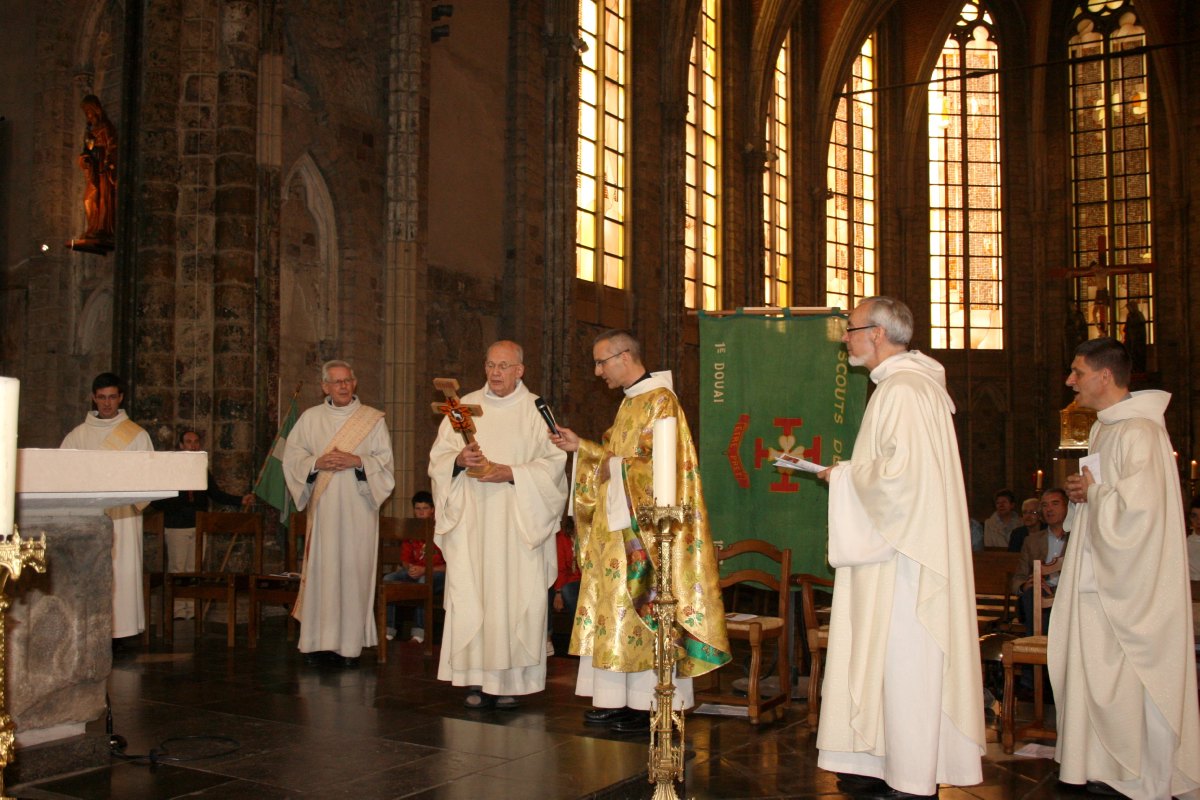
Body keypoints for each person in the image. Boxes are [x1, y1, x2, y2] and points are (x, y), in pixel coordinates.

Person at [815, 297, 983, 796]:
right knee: (883, 661)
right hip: (894, 548)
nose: (845, 338)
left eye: (851, 329)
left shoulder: (905, 391)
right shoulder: (903, 388)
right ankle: (877, 760)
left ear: (878, 334)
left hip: (906, 559)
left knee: (902, 661)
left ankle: (910, 775)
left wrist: (839, 477)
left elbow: (901, 483)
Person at [550, 330, 730, 735]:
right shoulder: (631, 403)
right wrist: (583, 448)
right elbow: (617, 459)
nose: (597, 372)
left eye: (602, 362)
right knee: (616, 615)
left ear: (625, 355)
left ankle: (650, 701)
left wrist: (597, 454)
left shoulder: (662, 401)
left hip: (648, 535)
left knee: (646, 613)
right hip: (618, 530)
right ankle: (619, 701)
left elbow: (655, 469)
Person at [1051, 338, 1200, 798]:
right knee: (1094, 670)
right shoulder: (1103, 429)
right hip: (1098, 571)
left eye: (1077, 372)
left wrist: (1094, 494)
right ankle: (1100, 764)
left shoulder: (1141, 432)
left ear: (1104, 376)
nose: (1070, 380)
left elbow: (1142, 512)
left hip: (1130, 582)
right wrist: (1083, 494)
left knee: (1125, 673)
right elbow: (1105, 495)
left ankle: (1137, 774)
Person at [428, 340, 568, 709]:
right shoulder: (461, 409)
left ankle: (511, 682)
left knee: (514, 598)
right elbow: (438, 459)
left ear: (520, 370)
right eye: (490, 364)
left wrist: (511, 473)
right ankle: (476, 679)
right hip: (473, 522)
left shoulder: (536, 410)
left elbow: (554, 465)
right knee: (475, 596)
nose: (495, 372)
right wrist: (458, 459)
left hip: (517, 524)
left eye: (504, 366)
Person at [283, 360, 394, 668]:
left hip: (359, 510)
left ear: (354, 383)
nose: (344, 386)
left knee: (352, 574)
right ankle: (318, 644)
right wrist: (317, 464)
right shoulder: (310, 419)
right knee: (323, 573)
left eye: (348, 380)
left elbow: (384, 464)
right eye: (337, 382)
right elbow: (292, 458)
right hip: (325, 511)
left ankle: (348, 647)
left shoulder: (372, 420)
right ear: (325, 387)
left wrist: (358, 461)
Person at [61, 373, 154, 643]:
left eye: (112, 397)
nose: (107, 403)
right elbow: (63, 472)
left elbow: (149, 475)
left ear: (121, 398)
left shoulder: (137, 435)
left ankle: (121, 633)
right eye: (101, 397)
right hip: (88, 517)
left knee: (122, 570)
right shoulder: (78, 436)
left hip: (123, 515)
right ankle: (90, 629)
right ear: (93, 398)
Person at [150, 429, 254, 619]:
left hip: (198, 525)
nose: (193, 446)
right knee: (177, 569)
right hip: (176, 525)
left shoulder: (202, 469)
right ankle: (177, 610)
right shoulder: (170, 468)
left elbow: (215, 494)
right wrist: (179, 501)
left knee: (194, 570)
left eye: (196, 442)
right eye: (188, 442)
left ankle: (191, 610)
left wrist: (240, 500)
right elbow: (157, 500)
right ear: (181, 446)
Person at [382, 490, 444, 642]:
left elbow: (449, 566)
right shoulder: (412, 529)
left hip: (437, 574)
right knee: (388, 579)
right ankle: (388, 630)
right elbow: (404, 559)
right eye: (418, 509)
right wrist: (410, 568)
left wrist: (425, 570)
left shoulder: (441, 529)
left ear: (432, 510)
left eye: (425, 508)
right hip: (414, 571)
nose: (421, 512)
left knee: (423, 583)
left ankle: (419, 633)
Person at [1010, 489, 1068, 631]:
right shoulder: (1032, 541)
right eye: (1044, 505)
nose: (1049, 509)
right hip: (1038, 593)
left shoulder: (1077, 538)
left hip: (1067, 592)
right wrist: (1025, 585)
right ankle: (1035, 643)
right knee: (1033, 593)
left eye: (1055, 504)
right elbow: (1018, 578)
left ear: (1067, 507)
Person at [77, 95, 117, 241]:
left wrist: (108, 161)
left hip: (103, 168)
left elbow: (112, 146)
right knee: (89, 198)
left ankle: (102, 227)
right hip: (94, 166)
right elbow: (86, 151)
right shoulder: (90, 133)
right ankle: (92, 226)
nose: (88, 115)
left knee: (103, 197)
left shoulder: (106, 128)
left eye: (89, 111)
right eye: (86, 113)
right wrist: (84, 159)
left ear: (96, 110)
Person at [547, 516, 581, 657]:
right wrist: (559, 592)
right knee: (567, 591)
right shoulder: (562, 536)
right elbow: (560, 567)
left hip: (588, 580)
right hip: (569, 581)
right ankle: (578, 637)